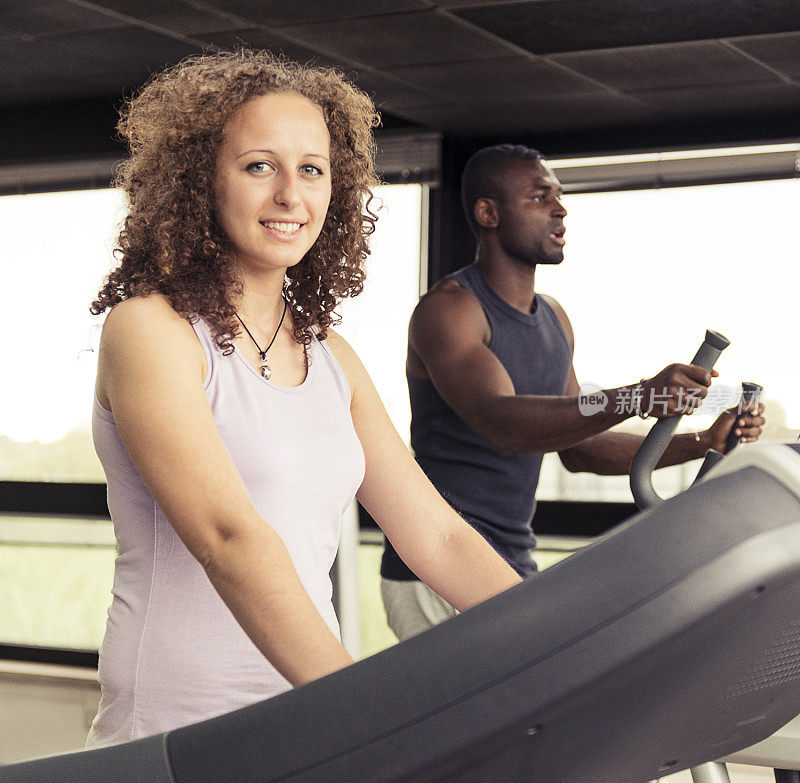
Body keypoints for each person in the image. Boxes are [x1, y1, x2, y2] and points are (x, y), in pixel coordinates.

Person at [85, 51, 522, 747]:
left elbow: (437, 536)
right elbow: (230, 539)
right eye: (260, 165)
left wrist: (567, 634)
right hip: (178, 734)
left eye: (311, 169)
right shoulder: (151, 330)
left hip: (302, 719)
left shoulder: (331, 358)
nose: (292, 194)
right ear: (201, 181)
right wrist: (359, 711)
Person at [380, 143, 765, 641]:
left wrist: (700, 443)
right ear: (488, 212)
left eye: (560, 197)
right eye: (540, 198)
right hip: (434, 564)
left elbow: (580, 447)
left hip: (508, 561)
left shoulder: (555, 319)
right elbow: (501, 424)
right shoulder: (450, 310)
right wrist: (640, 395)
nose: (561, 209)